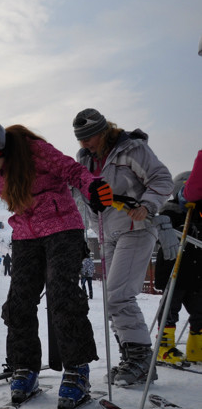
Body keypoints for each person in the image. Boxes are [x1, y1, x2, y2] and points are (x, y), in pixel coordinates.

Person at [0, 117, 109, 409]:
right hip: (25, 235)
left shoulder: (36, 151)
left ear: (1, 146)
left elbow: (73, 171)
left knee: (62, 296)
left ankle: (77, 370)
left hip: (62, 228)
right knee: (19, 302)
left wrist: (93, 187)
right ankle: (25, 367)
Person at [73, 108, 173, 385]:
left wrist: (147, 205)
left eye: (89, 137)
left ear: (104, 131)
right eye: (80, 140)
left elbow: (162, 180)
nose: (85, 144)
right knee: (111, 301)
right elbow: (78, 189)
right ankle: (132, 359)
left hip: (136, 227)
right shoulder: (84, 158)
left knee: (119, 296)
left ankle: (141, 362)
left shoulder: (131, 149)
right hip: (106, 231)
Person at [153, 170, 201, 363]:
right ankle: (164, 347)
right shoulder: (170, 210)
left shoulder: (199, 212)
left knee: (199, 310)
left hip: (197, 274)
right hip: (175, 271)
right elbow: (160, 235)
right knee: (170, 309)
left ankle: (197, 346)